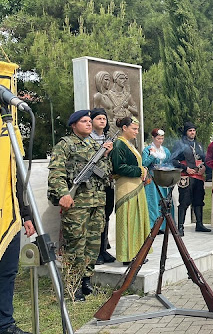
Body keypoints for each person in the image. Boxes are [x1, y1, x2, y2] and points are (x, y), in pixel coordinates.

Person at [48, 110, 113, 301]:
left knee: (93, 245)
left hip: (97, 202)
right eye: (84, 121)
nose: (88, 124)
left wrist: (105, 156)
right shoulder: (65, 145)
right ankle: (72, 285)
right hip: (77, 204)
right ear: (73, 125)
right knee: (76, 244)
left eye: (89, 121)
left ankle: (87, 281)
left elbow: (106, 173)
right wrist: (63, 194)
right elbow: (56, 173)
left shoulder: (95, 145)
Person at [0, 177, 35, 334]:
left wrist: (26, 216)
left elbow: (16, 183)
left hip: (10, 220)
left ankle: (4, 325)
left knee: (7, 273)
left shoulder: (10, 152)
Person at [110, 117, 150, 265]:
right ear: (124, 128)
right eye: (134, 128)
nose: (136, 132)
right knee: (128, 220)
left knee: (136, 221)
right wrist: (140, 170)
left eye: (137, 129)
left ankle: (136, 253)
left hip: (136, 187)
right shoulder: (119, 144)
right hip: (126, 188)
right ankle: (127, 255)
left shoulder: (129, 144)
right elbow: (118, 167)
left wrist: (143, 170)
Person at [89, 108, 117, 265]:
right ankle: (95, 253)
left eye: (104, 118)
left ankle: (102, 249)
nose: (102, 121)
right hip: (94, 186)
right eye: (98, 118)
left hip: (108, 184)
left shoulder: (108, 139)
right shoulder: (88, 140)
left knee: (106, 216)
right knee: (96, 219)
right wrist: (104, 154)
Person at [172, 122, 210, 236]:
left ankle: (199, 224)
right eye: (190, 131)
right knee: (184, 201)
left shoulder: (198, 145)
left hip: (198, 176)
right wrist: (185, 168)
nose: (192, 132)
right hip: (186, 176)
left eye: (193, 130)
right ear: (186, 132)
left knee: (199, 201)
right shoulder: (180, 144)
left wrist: (204, 167)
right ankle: (180, 227)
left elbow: (205, 159)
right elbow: (173, 160)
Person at [142, 128, 173, 232]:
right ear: (153, 138)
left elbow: (169, 162)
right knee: (153, 201)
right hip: (152, 178)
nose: (160, 141)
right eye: (158, 138)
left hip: (163, 177)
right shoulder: (148, 149)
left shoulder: (166, 151)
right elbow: (144, 163)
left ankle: (164, 225)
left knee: (163, 201)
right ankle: (153, 226)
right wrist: (152, 156)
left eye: (162, 138)